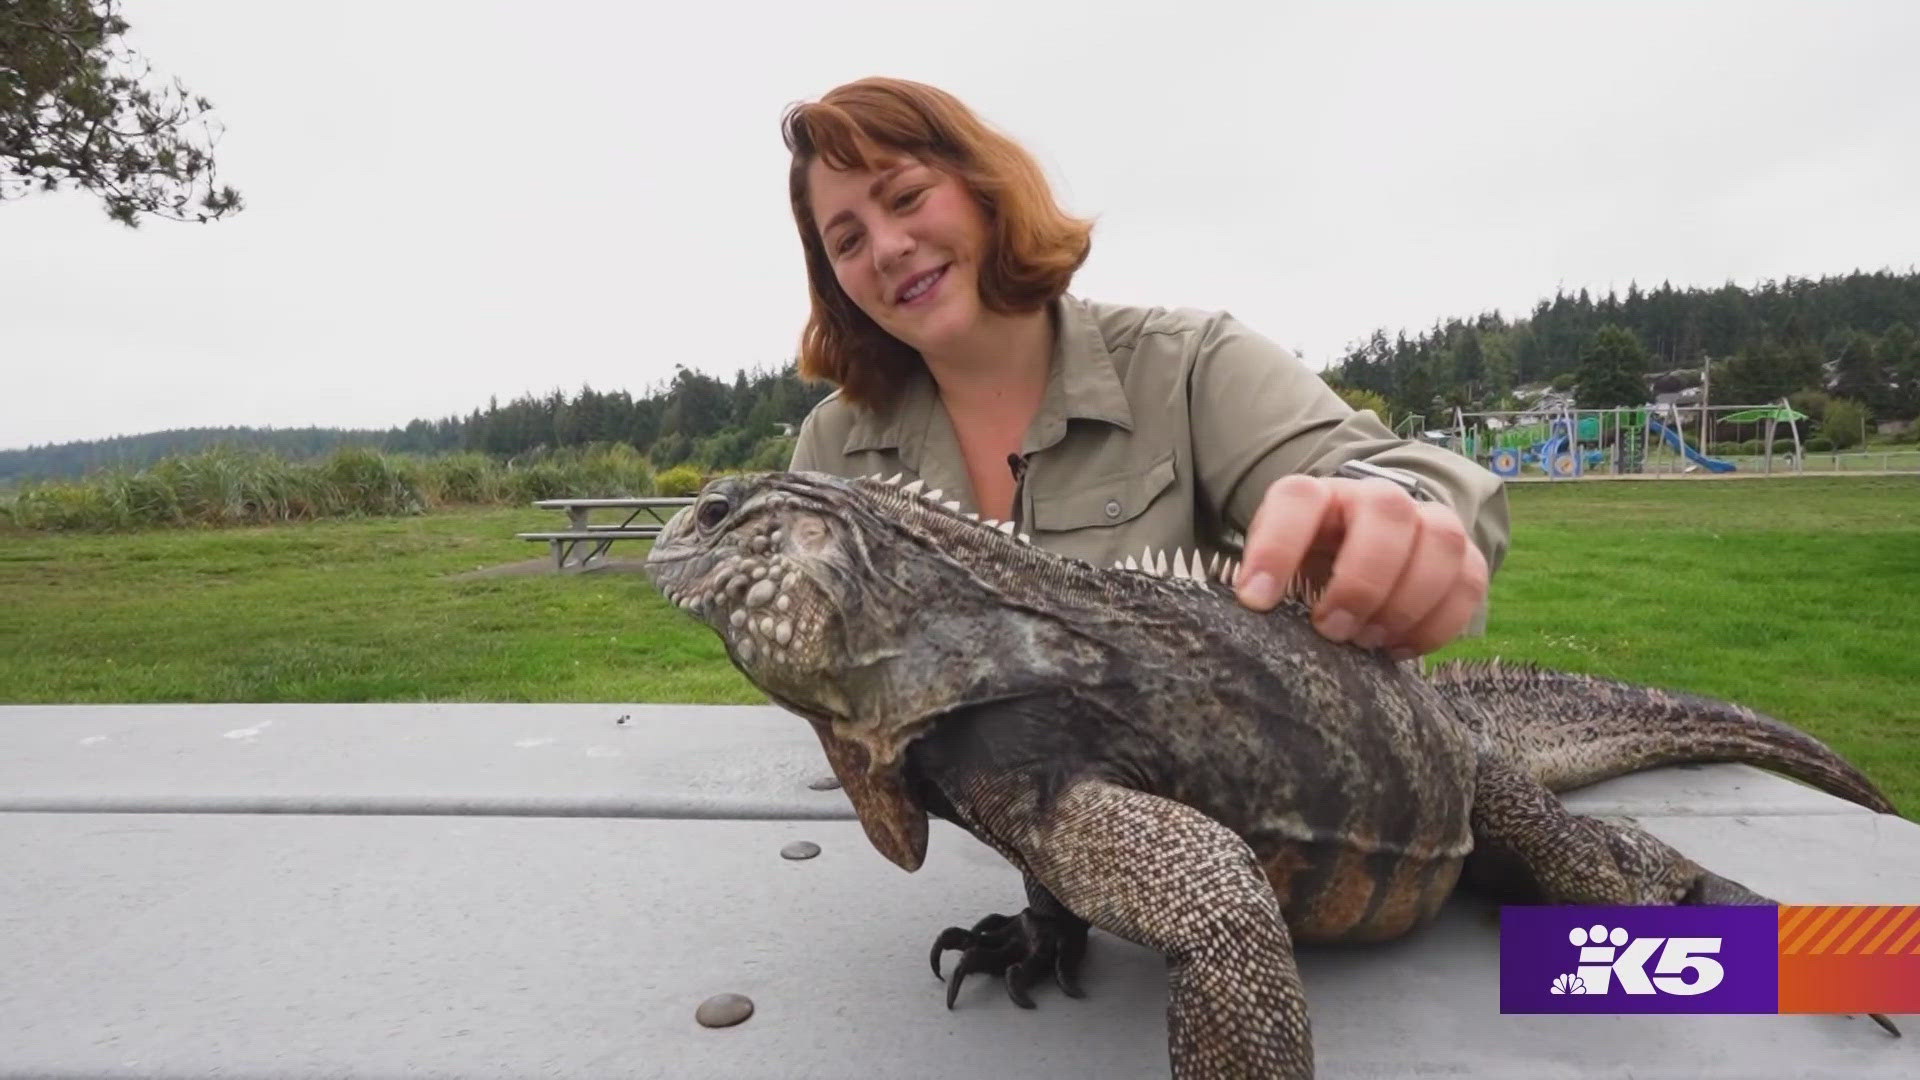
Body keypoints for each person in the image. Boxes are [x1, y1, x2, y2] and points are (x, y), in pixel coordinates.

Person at [782, 77, 1508, 659]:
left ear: (984, 188)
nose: (886, 247)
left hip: (1188, 820)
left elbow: (1415, 482)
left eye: (906, 197)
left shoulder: (1189, 365)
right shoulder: (829, 449)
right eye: (846, 242)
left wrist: (1395, 514)